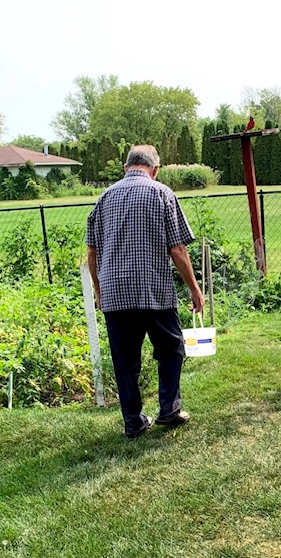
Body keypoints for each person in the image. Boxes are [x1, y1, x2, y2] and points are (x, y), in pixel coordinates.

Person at [86, 145, 204, 439]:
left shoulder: (103, 198)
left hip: (115, 294)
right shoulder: (162, 193)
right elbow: (177, 249)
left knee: (124, 361)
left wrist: (100, 292)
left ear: (125, 167)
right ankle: (169, 410)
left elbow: (92, 253)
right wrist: (194, 289)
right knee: (171, 348)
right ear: (155, 169)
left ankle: (133, 422)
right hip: (154, 290)